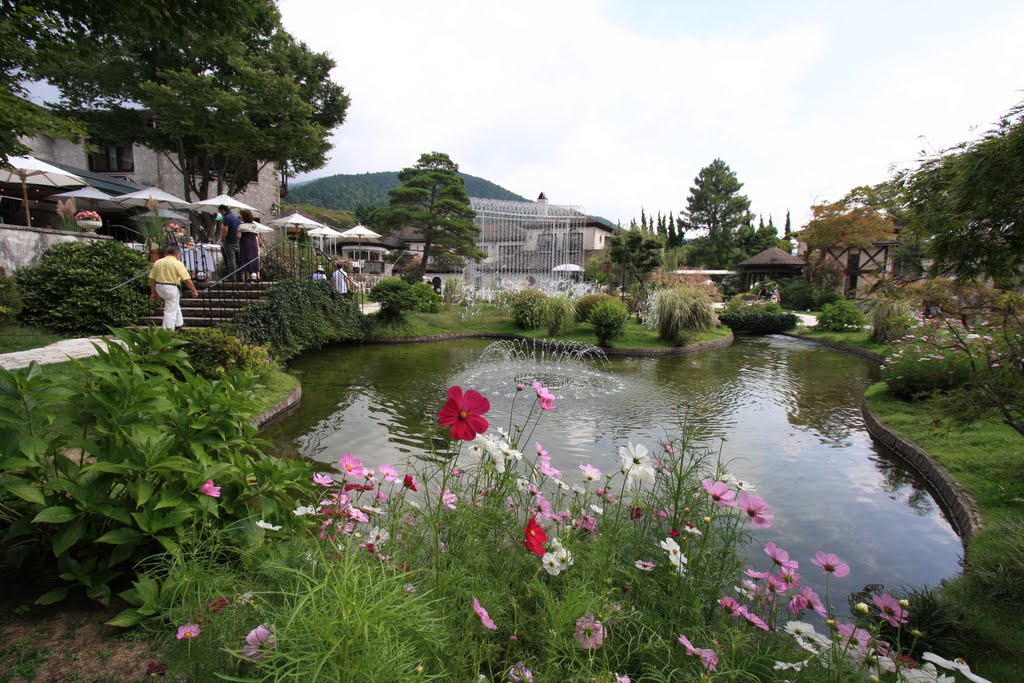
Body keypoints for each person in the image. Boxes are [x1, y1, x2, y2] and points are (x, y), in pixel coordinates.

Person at [149, 244, 198, 330]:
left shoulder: (158, 262)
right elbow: (187, 279)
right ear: (177, 254)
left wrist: (153, 292)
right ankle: (167, 330)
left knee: (174, 304)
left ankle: (179, 323)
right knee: (170, 310)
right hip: (170, 288)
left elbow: (152, 279)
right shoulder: (177, 263)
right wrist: (193, 290)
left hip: (159, 286)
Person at [219, 205, 241, 280]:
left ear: (222, 210)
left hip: (229, 241)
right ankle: (239, 276)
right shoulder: (236, 218)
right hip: (237, 241)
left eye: (220, 212)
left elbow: (225, 230)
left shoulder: (227, 218)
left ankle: (232, 276)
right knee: (238, 260)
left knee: (231, 260)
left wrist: (222, 239)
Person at [238, 209, 261, 280]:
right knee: (254, 258)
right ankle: (257, 275)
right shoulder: (254, 226)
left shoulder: (241, 226)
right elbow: (258, 235)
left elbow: (238, 236)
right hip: (253, 242)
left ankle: (248, 276)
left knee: (246, 258)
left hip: (245, 242)